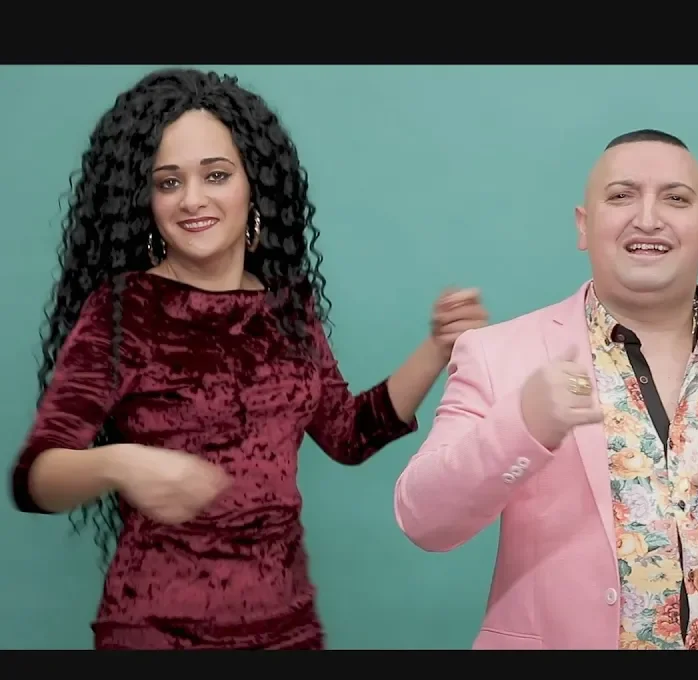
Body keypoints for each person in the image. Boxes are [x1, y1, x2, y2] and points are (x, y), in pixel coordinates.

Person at [8, 68, 490, 650]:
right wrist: (123, 463)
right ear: (147, 200)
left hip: (287, 627)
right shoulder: (125, 310)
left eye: (215, 174)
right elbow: (36, 478)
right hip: (157, 631)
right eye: (168, 182)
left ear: (252, 183)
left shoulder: (287, 307)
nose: (193, 199)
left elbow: (348, 434)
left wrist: (438, 347)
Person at [393, 129, 698, 650]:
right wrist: (521, 427)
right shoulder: (498, 354)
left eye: (676, 199)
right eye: (622, 196)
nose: (648, 218)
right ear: (584, 225)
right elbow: (424, 519)